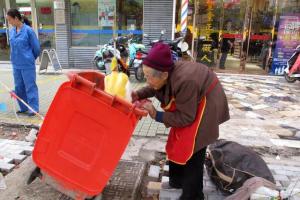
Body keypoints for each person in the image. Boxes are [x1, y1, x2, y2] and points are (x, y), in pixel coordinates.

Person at [132, 43, 230, 200]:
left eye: (148, 76)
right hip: (190, 101)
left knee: (193, 148)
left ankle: (193, 195)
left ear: (164, 74)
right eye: (145, 75)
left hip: (207, 102)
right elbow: (153, 86)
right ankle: (176, 181)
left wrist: (156, 114)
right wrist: (137, 94)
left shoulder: (185, 81)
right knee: (177, 141)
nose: (147, 80)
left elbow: (185, 117)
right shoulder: (165, 74)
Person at [6, 9, 41, 116]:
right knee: (19, 87)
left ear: (16, 18)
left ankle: (33, 108)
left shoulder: (28, 31)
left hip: (27, 64)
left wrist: (29, 58)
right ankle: (23, 107)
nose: (9, 22)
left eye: (10, 20)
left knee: (30, 86)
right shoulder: (12, 31)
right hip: (16, 64)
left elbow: (37, 49)